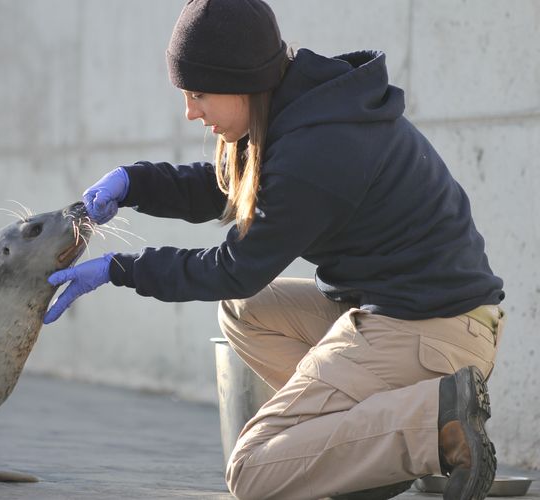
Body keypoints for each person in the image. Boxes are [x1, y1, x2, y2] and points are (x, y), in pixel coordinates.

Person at [43, 1, 505, 499]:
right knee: (246, 312)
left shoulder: (317, 150)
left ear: (240, 79)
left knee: (252, 471)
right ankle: (366, 449)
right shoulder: (305, 111)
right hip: (415, 315)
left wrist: (119, 269)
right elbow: (228, 188)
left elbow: (234, 268)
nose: (190, 112)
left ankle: (433, 424)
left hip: (429, 331)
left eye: (198, 93)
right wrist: (135, 182)